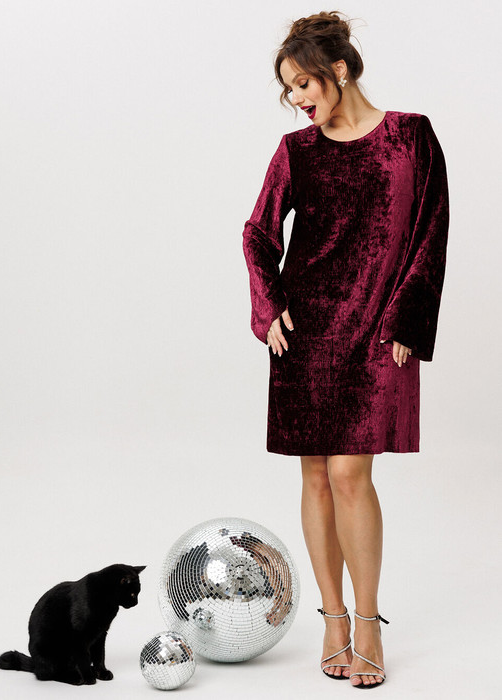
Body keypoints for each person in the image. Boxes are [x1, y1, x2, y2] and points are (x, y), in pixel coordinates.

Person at [242, 10, 449, 690]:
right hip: (307, 333)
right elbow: (258, 233)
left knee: (352, 475)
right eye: (288, 89)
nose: (297, 98)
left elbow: (431, 232)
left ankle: (368, 623)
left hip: (378, 329)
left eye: (303, 83)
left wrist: (408, 319)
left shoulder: (410, 136)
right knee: (314, 477)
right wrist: (269, 307)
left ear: (339, 69)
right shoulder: (296, 152)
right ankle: (332, 621)